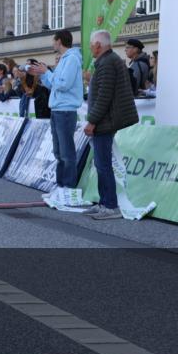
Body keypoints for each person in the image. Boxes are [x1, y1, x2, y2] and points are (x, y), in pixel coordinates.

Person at [83, 30, 139, 220]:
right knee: (101, 164)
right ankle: (104, 203)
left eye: (91, 45)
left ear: (98, 45)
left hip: (105, 122)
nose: (91, 48)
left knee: (103, 164)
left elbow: (103, 98)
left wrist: (92, 121)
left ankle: (110, 206)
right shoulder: (109, 61)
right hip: (105, 121)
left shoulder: (107, 63)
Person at [29, 30, 84, 188]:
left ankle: (68, 187)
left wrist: (48, 73)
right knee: (59, 153)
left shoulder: (72, 59)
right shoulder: (64, 60)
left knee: (66, 153)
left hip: (65, 111)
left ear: (59, 41)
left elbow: (63, 84)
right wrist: (43, 75)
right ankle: (60, 186)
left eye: (54, 41)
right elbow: (54, 85)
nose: (52, 44)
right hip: (58, 110)